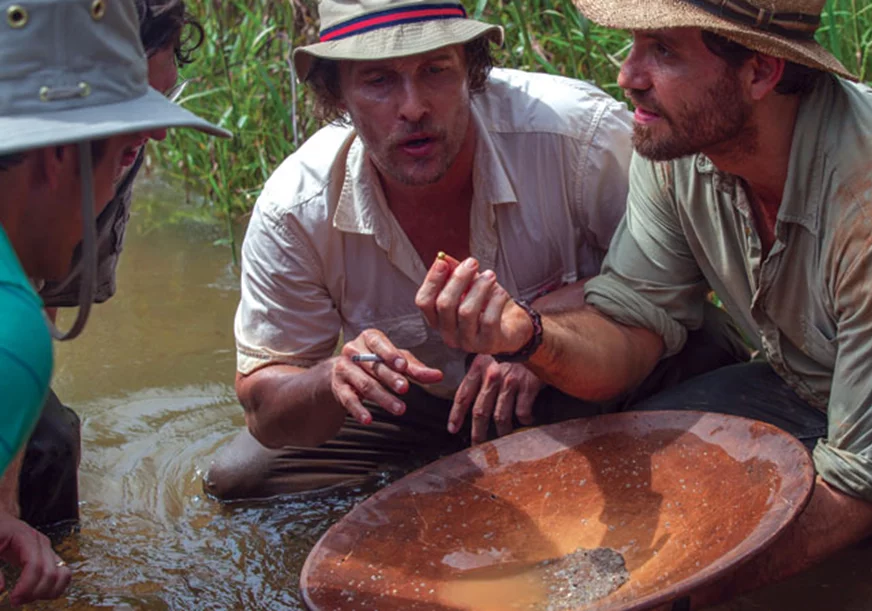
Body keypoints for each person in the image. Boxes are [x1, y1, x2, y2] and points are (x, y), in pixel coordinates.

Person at [413, 0, 872, 609]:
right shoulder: (676, 145)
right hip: (824, 385)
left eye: (665, 51)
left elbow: (859, 483)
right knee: (643, 445)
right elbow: (631, 325)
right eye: (635, 48)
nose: (629, 75)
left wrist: (675, 589)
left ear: (761, 73)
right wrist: (529, 336)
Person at [204, 0, 737, 501]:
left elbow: (684, 272)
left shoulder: (579, 137)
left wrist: (537, 338)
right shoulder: (298, 206)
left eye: (436, 70)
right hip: (427, 402)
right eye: (379, 81)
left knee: (716, 375)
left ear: (471, 70)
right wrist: (331, 379)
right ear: (337, 94)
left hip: (589, 373)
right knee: (241, 478)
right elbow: (263, 403)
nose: (412, 108)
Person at [0, 0, 229, 605]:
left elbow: (43, 293)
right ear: (58, 152)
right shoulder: (12, 337)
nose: (155, 134)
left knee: (47, 442)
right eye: (125, 140)